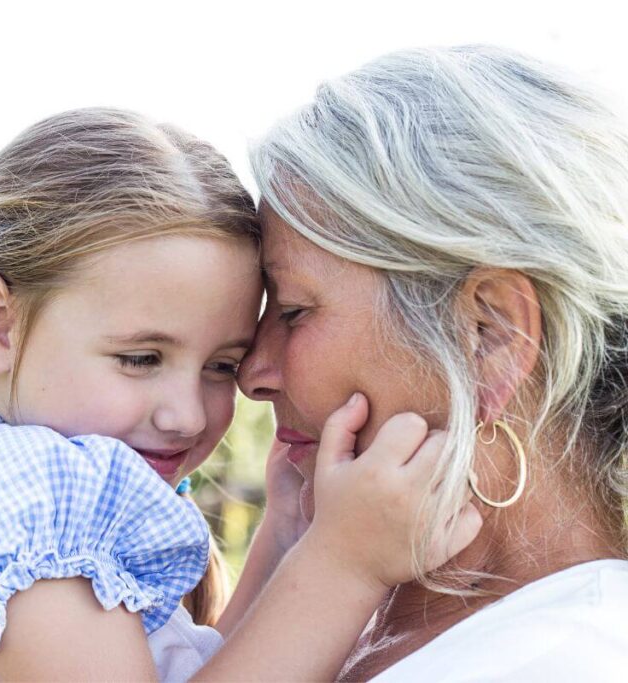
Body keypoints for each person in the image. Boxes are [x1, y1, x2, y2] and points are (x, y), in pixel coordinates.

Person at [0, 107, 480, 681]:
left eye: (220, 366)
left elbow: (206, 669)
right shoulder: (36, 521)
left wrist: (290, 532)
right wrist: (346, 563)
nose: (186, 413)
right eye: (141, 357)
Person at [240, 45, 628, 681]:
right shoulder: (326, 616)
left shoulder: (568, 659)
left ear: (492, 333)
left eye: (292, 311)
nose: (252, 373)